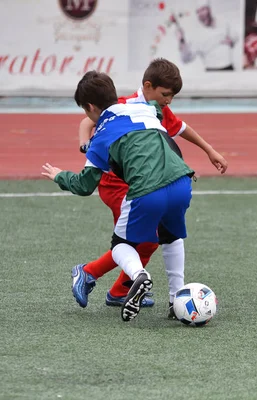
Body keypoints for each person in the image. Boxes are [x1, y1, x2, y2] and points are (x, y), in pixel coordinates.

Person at [74, 58, 228, 316]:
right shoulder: (125, 105)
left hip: (147, 182)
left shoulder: (158, 108)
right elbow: (86, 122)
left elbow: (180, 129)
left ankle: (120, 289)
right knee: (141, 241)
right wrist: (85, 146)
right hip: (117, 184)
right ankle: (93, 276)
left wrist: (208, 151)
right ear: (148, 86)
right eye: (165, 94)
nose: (169, 101)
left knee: (150, 239)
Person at [42, 71, 196, 322]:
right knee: (171, 236)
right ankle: (176, 297)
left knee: (121, 246)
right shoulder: (146, 108)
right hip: (182, 181)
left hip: (147, 191)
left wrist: (60, 176)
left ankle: (138, 276)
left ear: (90, 107)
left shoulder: (99, 139)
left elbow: (84, 186)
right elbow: (159, 110)